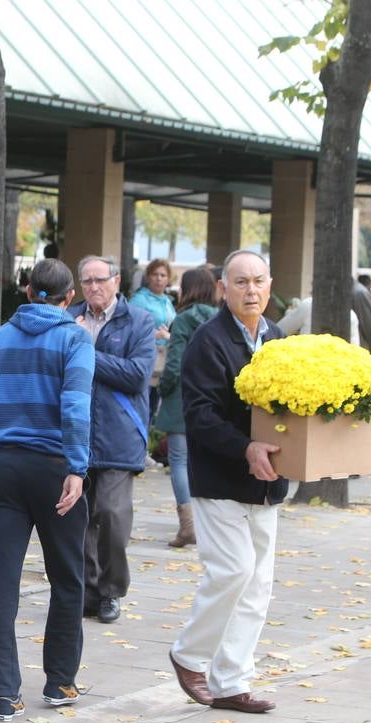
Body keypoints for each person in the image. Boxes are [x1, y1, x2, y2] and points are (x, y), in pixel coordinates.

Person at [0, 258, 95, 722]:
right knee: (67, 577)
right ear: (69, 297)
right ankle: (59, 681)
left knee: (1, 585)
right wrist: (77, 468)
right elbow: (76, 407)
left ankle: (4, 693)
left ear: (26, 291)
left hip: (2, 469)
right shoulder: (75, 338)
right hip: (55, 468)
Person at [169, 250, 287, 715]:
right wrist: (245, 448)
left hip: (268, 483)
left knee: (258, 584)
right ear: (223, 288)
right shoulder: (207, 340)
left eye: (258, 281)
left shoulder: (276, 337)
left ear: (270, 284)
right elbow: (199, 416)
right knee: (233, 570)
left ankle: (232, 682)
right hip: (219, 480)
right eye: (240, 282)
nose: (251, 290)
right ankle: (188, 656)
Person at [65, 255, 155, 624]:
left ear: (117, 281)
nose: (93, 287)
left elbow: (136, 375)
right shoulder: (69, 318)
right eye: (86, 281)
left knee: (112, 515)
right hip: (76, 433)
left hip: (120, 432)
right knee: (79, 518)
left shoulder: (139, 321)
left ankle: (111, 590)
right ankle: (87, 591)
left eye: (99, 280)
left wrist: (88, 350)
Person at [156, 267, 220, 548]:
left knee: (179, 460)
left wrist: (163, 389)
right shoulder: (221, 319)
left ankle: (188, 525)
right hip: (214, 399)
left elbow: (175, 364)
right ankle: (210, 524)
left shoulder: (183, 320)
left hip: (182, 397)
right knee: (207, 461)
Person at [127, 257, 176, 417]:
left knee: (155, 406)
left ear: (169, 279)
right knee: (143, 406)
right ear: (148, 276)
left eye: (163, 275)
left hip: (164, 356)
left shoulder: (167, 301)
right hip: (146, 356)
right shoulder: (139, 299)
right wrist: (153, 334)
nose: (159, 278)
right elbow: (129, 327)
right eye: (155, 274)